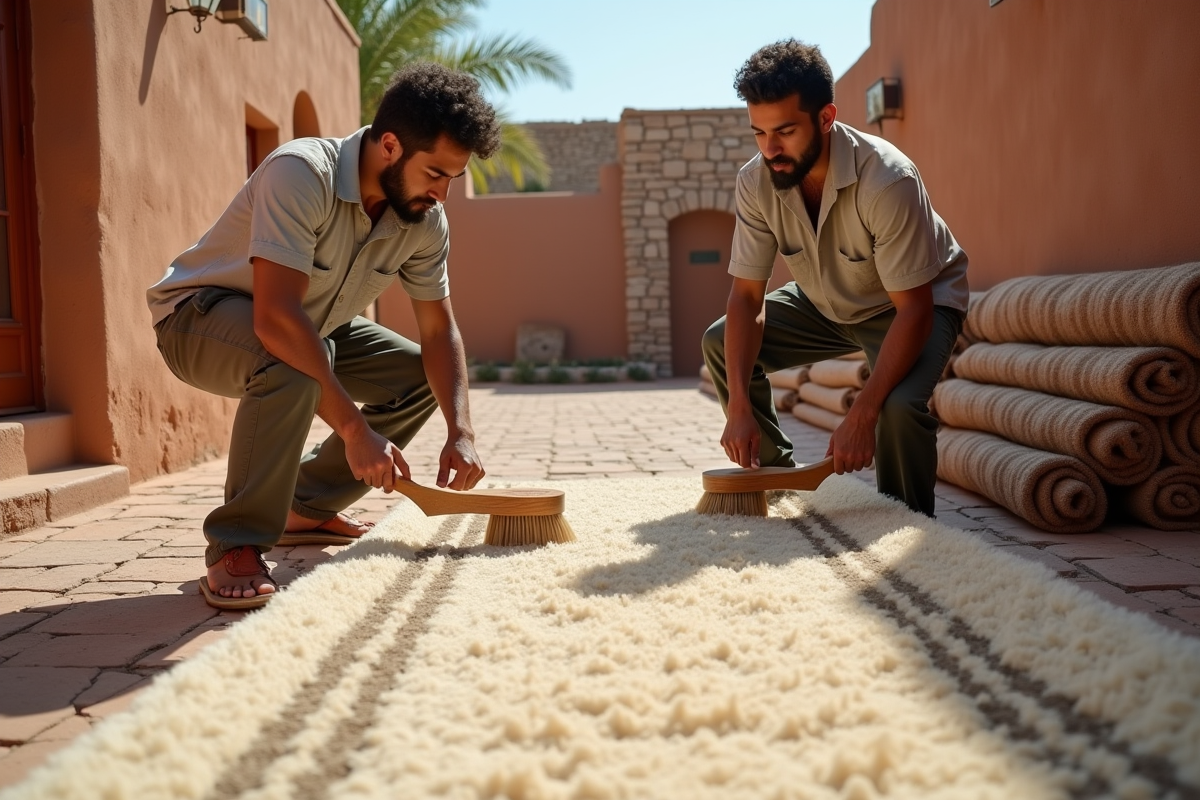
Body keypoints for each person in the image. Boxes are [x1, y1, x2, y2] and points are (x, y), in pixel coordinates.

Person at [147, 63, 500, 608]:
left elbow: (438, 330)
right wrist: (356, 431)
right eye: (435, 173)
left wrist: (462, 430)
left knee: (417, 377)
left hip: (311, 326)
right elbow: (276, 320)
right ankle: (236, 543)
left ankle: (304, 506)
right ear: (390, 146)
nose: (444, 194)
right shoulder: (302, 173)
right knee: (291, 362)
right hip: (196, 318)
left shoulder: (424, 219)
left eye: (453, 177)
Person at [702, 39, 969, 517]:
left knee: (897, 408)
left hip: (908, 305)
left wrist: (862, 411)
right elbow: (746, 297)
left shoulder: (888, 180)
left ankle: (905, 523)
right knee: (722, 342)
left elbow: (915, 310)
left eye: (785, 131)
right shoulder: (755, 181)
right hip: (823, 302)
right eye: (759, 132)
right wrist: (738, 404)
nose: (770, 149)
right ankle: (780, 482)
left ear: (825, 118)